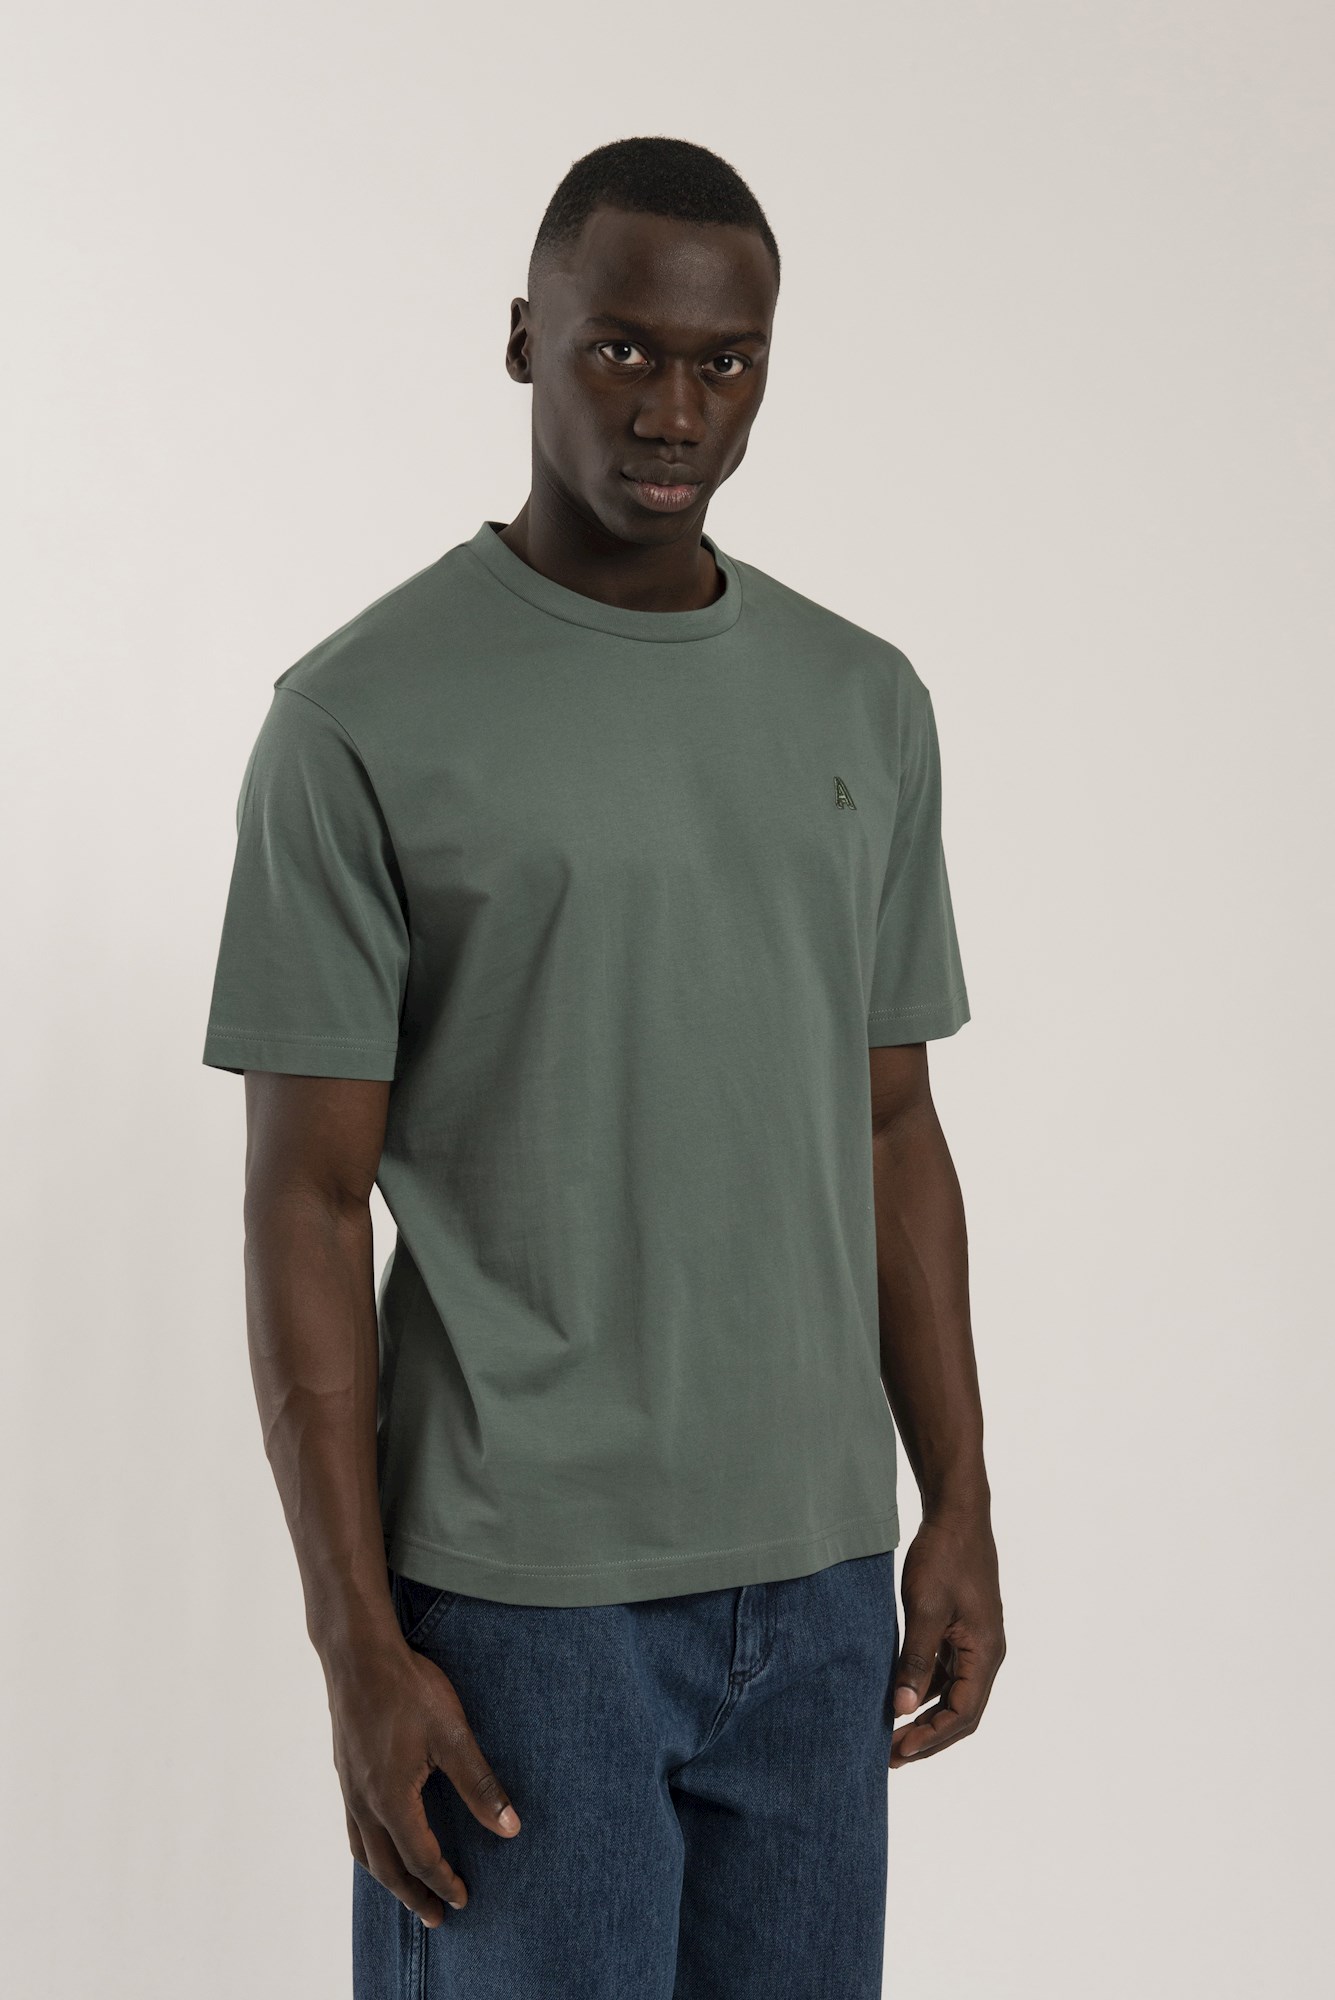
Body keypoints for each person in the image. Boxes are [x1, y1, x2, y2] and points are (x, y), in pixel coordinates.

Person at [202, 134, 1005, 1999]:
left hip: (817, 1591)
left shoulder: (863, 700)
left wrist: (957, 1496)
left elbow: (893, 1124)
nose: (674, 410)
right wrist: (353, 1642)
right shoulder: (358, 719)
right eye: (623, 349)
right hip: (520, 1612)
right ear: (524, 340)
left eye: (727, 363)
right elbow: (306, 1203)